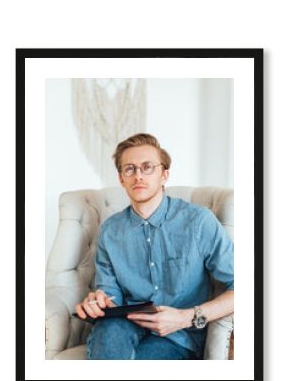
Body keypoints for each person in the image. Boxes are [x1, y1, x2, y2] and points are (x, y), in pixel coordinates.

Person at [75, 133, 234, 360]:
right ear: (121, 178)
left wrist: (186, 317)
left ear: (164, 175)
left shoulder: (199, 222)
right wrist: (98, 301)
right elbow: (111, 295)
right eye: (129, 169)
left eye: (147, 167)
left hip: (178, 336)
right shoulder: (110, 231)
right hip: (124, 325)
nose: (138, 175)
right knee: (108, 334)